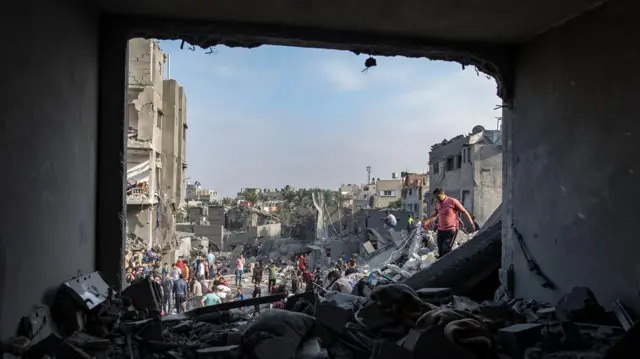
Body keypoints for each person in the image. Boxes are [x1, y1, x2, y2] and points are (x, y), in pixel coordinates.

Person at [422, 188, 475, 258]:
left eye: (438, 197)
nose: (437, 199)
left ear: (443, 194)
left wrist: (472, 223)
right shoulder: (437, 203)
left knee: (446, 249)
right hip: (441, 230)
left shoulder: (452, 201)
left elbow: (464, 211)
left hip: (451, 230)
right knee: (440, 251)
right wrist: (427, 221)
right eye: (436, 197)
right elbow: (436, 214)